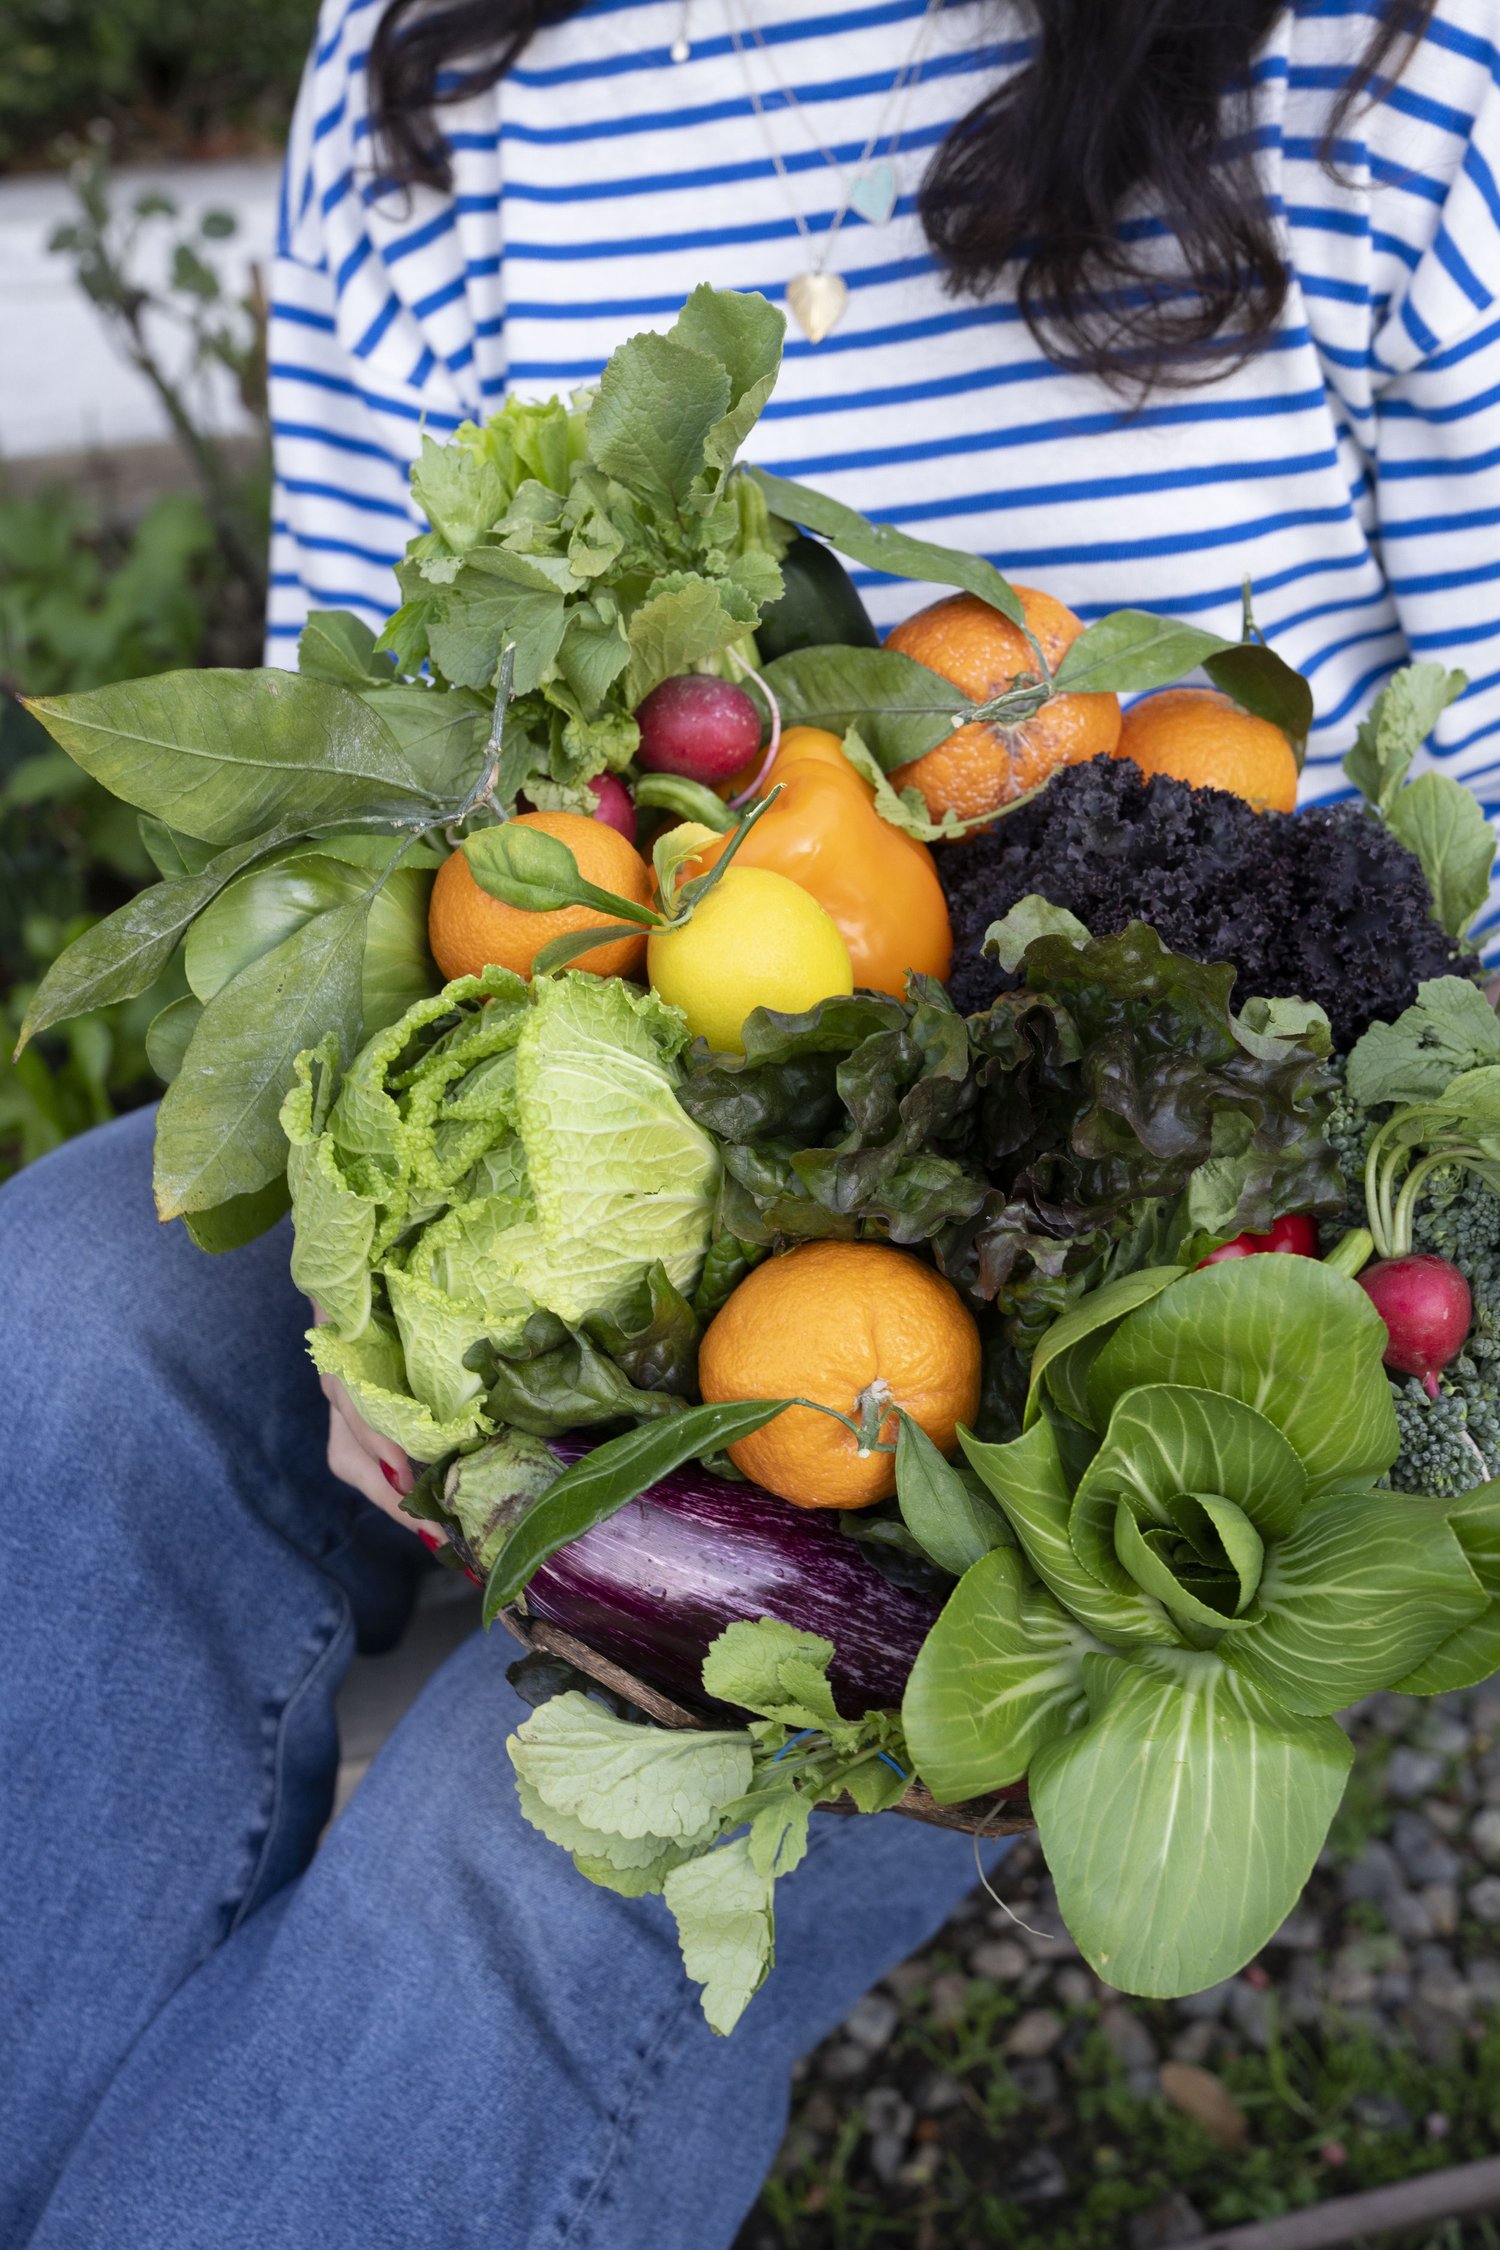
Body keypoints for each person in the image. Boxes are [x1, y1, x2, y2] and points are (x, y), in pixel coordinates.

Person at [3, 3, 1497, 2245]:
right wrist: (366, 1267)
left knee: (539, 1851)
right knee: (74, 1303)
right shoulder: (434, 76)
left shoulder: (1398, 75)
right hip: (618, 1056)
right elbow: (388, 755)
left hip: (1142, 1257)